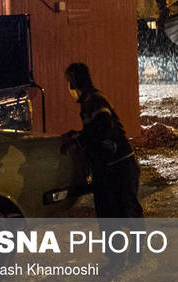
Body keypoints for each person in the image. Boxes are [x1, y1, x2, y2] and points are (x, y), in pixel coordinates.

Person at [61, 63, 143, 218]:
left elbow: (102, 127)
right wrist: (78, 135)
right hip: (109, 166)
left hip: (118, 165)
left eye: (69, 81)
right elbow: (95, 130)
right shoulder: (89, 100)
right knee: (111, 216)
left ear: (74, 81)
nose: (69, 86)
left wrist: (78, 141)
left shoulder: (94, 100)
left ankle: (136, 243)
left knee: (125, 212)